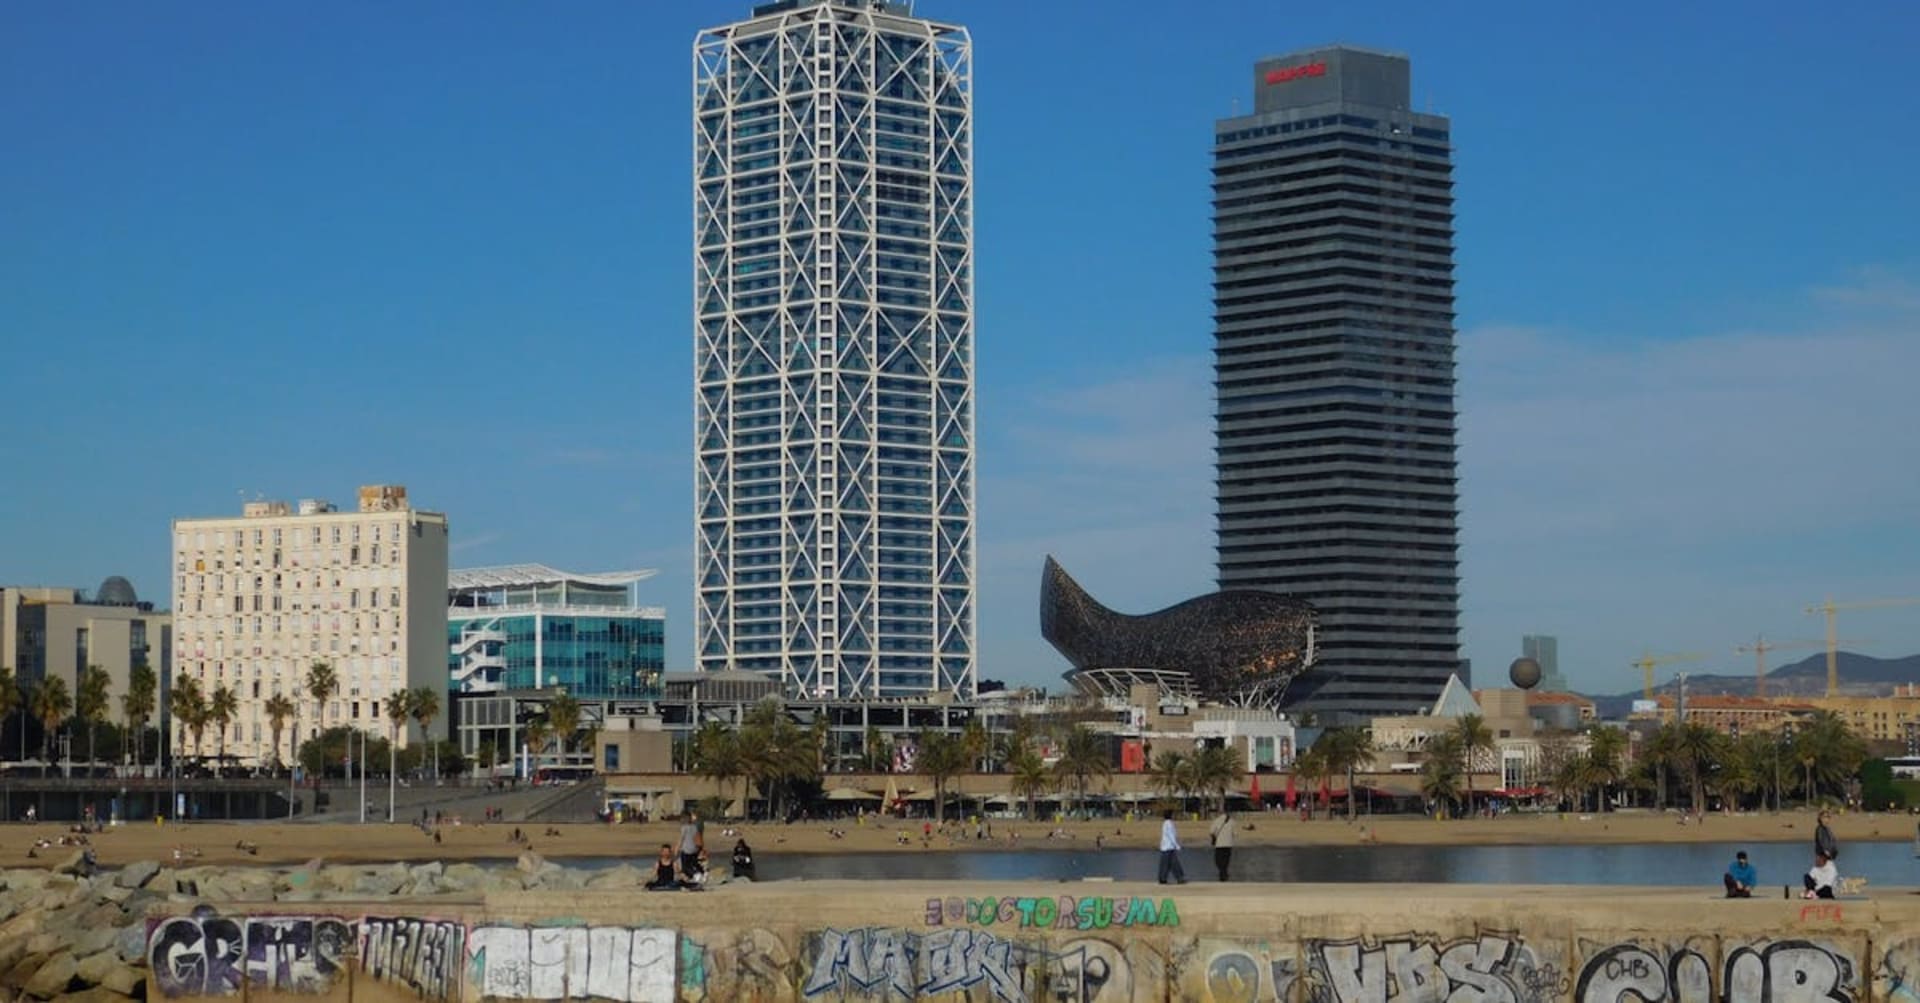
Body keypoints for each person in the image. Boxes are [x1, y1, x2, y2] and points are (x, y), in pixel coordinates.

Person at [1157, 809, 1187, 885]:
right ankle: (1177, 878)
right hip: (1169, 847)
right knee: (1172, 863)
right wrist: (1177, 845)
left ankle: (1164, 878)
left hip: (1166, 846)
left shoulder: (1165, 823)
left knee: (1168, 863)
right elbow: (1171, 835)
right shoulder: (1169, 824)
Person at [1209, 809, 1235, 882]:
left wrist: (1214, 836)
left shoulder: (1216, 821)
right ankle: (1224, 874)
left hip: (1219, 844)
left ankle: (1222, 874)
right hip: (1228, 844)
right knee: (1226, 861)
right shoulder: (1232, 821)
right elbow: (1235, 833)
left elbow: (1211, 832)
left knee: (1218, 861)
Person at [677, 811, 704, 880]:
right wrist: (700, 848)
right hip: (694, 849)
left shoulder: (684, 827)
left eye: (681, 818)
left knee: (685, 867)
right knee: (693, 863)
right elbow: (698, 838)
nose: (681, 820)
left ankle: (695, 874)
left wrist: (676, 849)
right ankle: (700, 873)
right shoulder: (694, 827)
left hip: (686, 850)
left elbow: (681, 839)